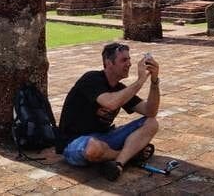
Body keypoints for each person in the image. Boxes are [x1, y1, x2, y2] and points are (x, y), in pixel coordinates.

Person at [56, 42, 160, 181]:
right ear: (108, 62)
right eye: (124, 60)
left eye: (129, 59)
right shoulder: (91, 79)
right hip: (75, 142)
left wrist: (154, 80)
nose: (129, 64)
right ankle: (131, 154)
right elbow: (111, 103)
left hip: (104, 138)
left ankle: (119, 163)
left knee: (151, 123)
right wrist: (140, 81)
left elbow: (150, 111)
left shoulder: (120, 88)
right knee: (94, 148)